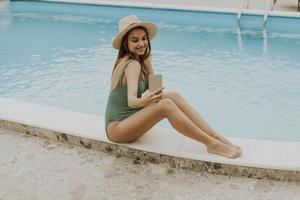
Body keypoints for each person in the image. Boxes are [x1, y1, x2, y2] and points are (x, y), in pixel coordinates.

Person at [105, 15, 242, 159]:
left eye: (144, 39)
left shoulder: (138, 62)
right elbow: (132, 101)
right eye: (135, 40)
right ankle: (211, 143)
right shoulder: (132, 65)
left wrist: (149, 65)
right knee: (166, 105)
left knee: (172, 96)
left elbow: (155, 91)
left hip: (130, 120)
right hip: (117, 129)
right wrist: (145, 101)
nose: (141, 44)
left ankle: (216, 136)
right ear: (125, 43)